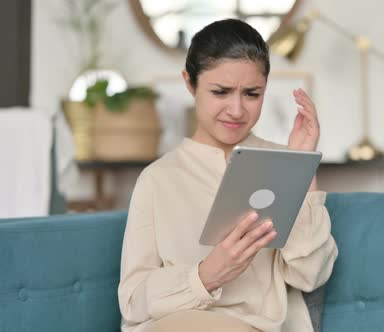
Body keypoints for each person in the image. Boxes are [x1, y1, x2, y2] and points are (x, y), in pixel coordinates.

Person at [118, 19, 338, 332]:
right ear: (190, 83)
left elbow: (311, 275)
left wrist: (302, 166)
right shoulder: (157, 180)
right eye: (220, 92)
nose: (236, 110)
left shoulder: (281, 162)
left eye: (252, 94)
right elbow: (132, 300)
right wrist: (207, 275)